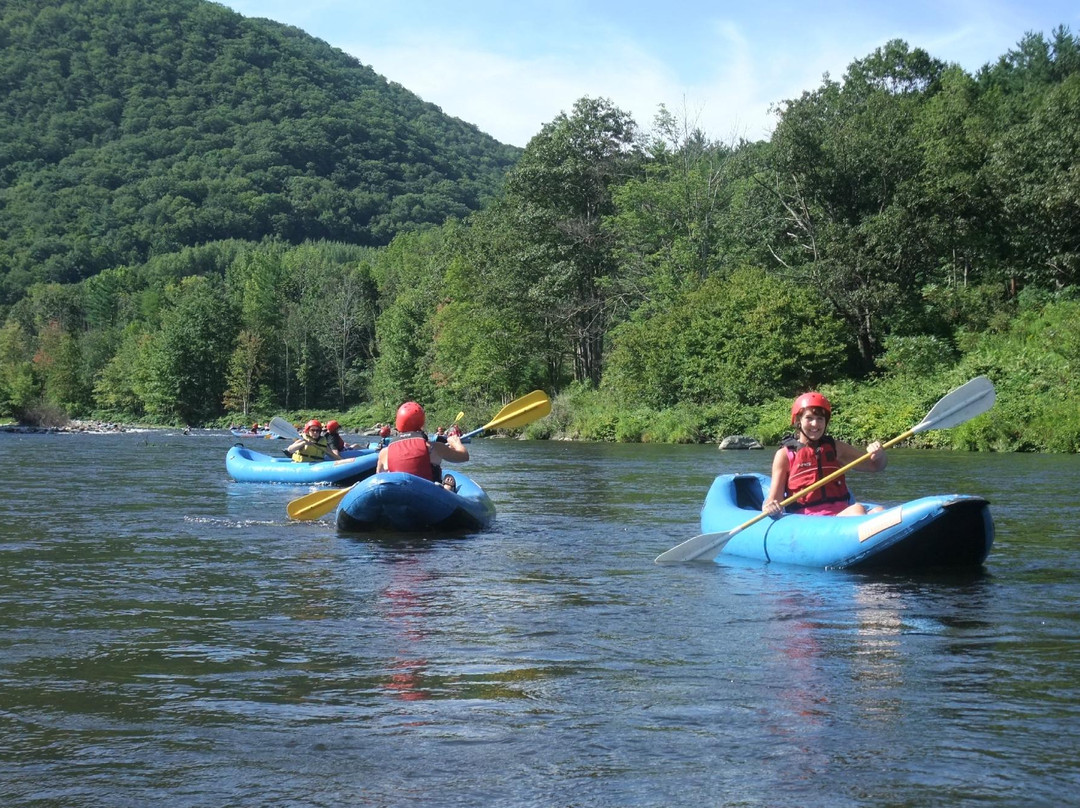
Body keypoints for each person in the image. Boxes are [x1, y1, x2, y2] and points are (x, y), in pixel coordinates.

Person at [762, 392, 886, 517]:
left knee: (879, 511)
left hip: (842, 512)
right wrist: (770, 506)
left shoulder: (835, 447)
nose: (815, 424)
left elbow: (875, 466)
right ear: (798, 420)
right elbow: (775, 499)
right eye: (809, 418)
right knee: (857, 510)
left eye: (820, 419)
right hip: (807, 519)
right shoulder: (785, 455)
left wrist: (879, 455)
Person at [376, 401, 469, 491]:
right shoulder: (434, 448)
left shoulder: (385, 452)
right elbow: (464, 456)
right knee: (445, 481)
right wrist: (456, 443)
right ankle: (447, 489)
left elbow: (379, 479)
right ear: (422, 423)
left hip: (398, 496)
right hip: (428, 497)